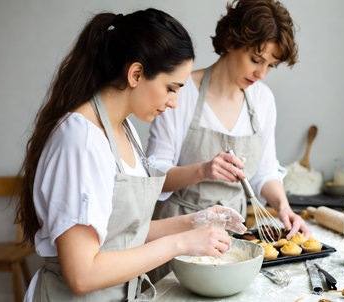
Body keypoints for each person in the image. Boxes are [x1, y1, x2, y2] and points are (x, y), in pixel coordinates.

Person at [16, 9, 247, 302]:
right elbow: (82, 274)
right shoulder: (81, 141)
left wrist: (196, 221)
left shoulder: (125, 130)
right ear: (136, 74)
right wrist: (181, 242)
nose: (174, 102)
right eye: (171, 88)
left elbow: (120, 233)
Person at [147, 0, 310, 252]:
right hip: (178, 237)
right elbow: (155, 176)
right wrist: (203, 170)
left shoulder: (262, 99)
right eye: (256, 60)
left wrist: (284, 208)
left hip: (234, 238)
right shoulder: (181, 92)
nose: (261, 74)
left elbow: (265, 172)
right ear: (231, 42)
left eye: (270, 65)